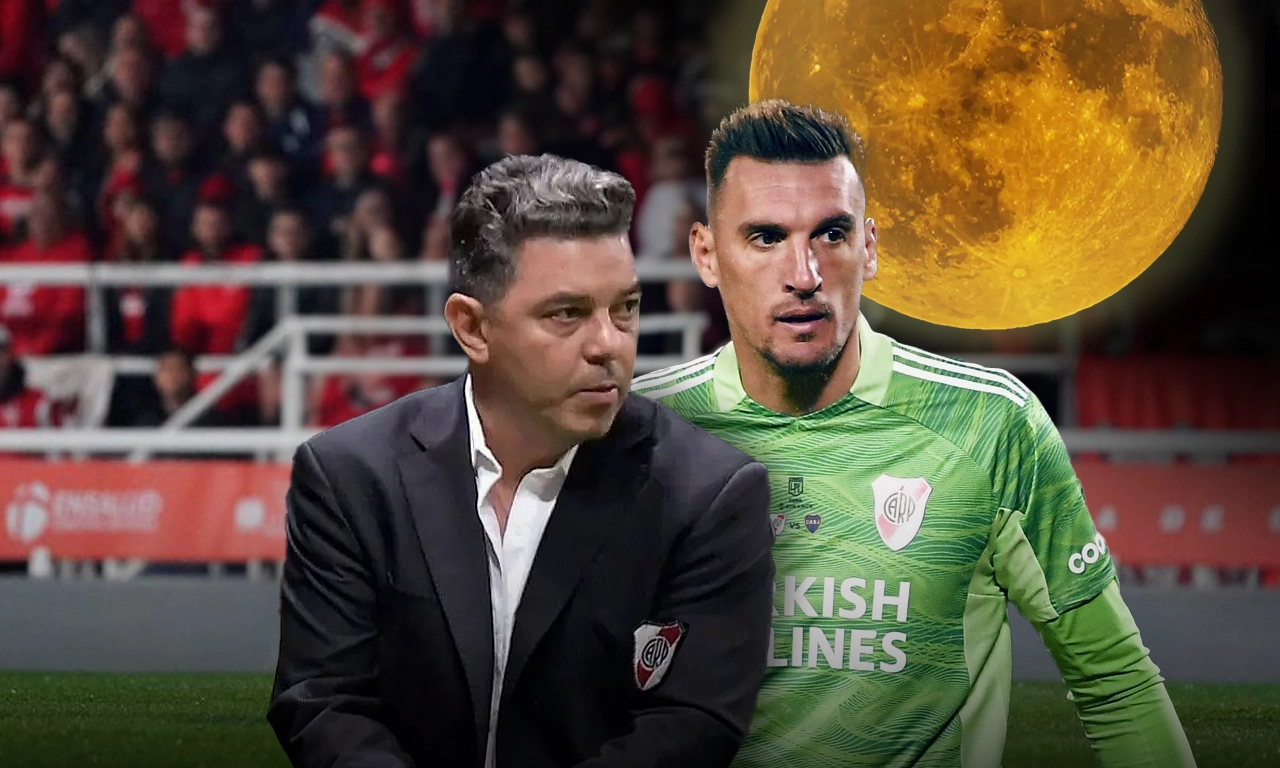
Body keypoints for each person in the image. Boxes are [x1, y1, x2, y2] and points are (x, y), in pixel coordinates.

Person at [634, 100, 1195, 768]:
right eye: (765, 238)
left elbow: (1115, 680)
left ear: (869, 248)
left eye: (831, 234)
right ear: (706, 254)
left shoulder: (989, 424)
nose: (804, 275)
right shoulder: (640, 432)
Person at [269, 153, 776, 768]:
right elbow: (322, 700)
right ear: (472, 328)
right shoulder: (350, 475)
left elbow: (693, 723)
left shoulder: (711, 495)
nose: (609, 344)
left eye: (625, 307)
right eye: (567, 313)